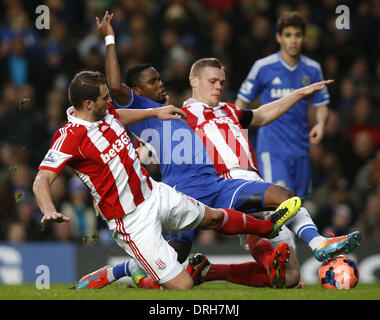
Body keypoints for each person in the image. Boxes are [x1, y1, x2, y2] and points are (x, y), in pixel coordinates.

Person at [75, 12, 360, 290]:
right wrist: (110, 38)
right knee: (175, 260)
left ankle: (304, 244)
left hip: (215, 184)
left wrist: (299, 94)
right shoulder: (156, 110)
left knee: (283, 207)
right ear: (136, 90)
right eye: (153, 81)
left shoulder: (186, 112)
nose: (161, 84)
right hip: (181, 192)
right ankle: (121, 270)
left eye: (160, 79)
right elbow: (114, 86)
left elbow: (258, 115)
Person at [33, 70, 300, 290]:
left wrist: (154, 113)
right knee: (183, 285)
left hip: (155, 193)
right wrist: (48, 210)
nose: (109, 101)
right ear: (88, 104)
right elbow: (41, 180)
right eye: (104, 98)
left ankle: (267, 227)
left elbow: (119, 116)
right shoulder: (69, 138)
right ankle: (123, 269)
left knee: (214, 217)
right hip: (131, 220)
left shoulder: (105, 113)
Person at [235, 11, 329, 200]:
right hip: (272, 148)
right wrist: (239, 139)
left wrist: (320, 124)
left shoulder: (312, 69)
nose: (293, 40)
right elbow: (240, 103)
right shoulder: (263, 67)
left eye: (297, 35)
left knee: (299, 206)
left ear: (303, 37)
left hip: (301, 148)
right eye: (288, 35)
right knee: (279, 203)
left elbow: (321, 104)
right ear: (279, 37)